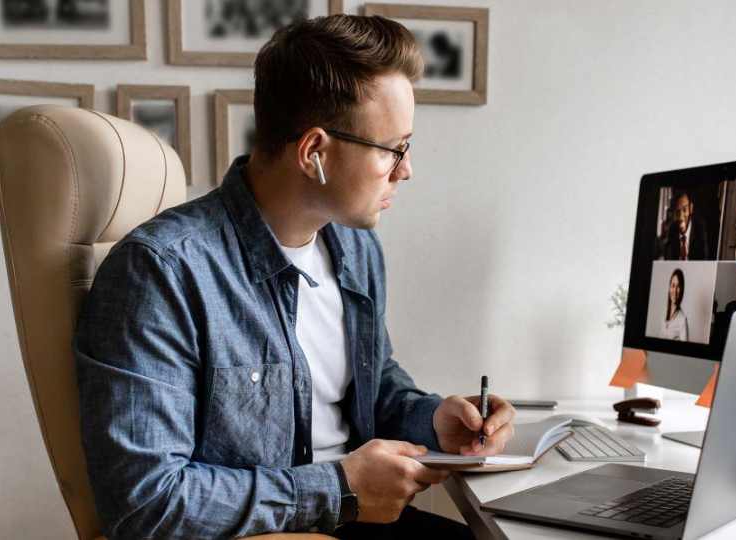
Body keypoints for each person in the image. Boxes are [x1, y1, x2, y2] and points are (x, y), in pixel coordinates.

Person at [74, 15, 516, 539]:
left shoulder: (356, 246)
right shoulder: (161, 272)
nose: (406, 170)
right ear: (314, 153)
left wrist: (436, 420)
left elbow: (371, 387)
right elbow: (146, 503)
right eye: (393, 149)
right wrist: (340, 487)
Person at [662, 191, 710, 261]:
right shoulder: (672, 230)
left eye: (684, 209)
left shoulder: (700, 228)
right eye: (677, 211)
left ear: (691, 208)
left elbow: (704, 259)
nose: (681, 216)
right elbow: (668, 260)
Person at [662, 269, 689, 341]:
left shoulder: (682, 320)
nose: (675, 290)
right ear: (669, 287)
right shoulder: (663, 312)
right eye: (673, 285)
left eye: (678, 286)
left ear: (681, 290)